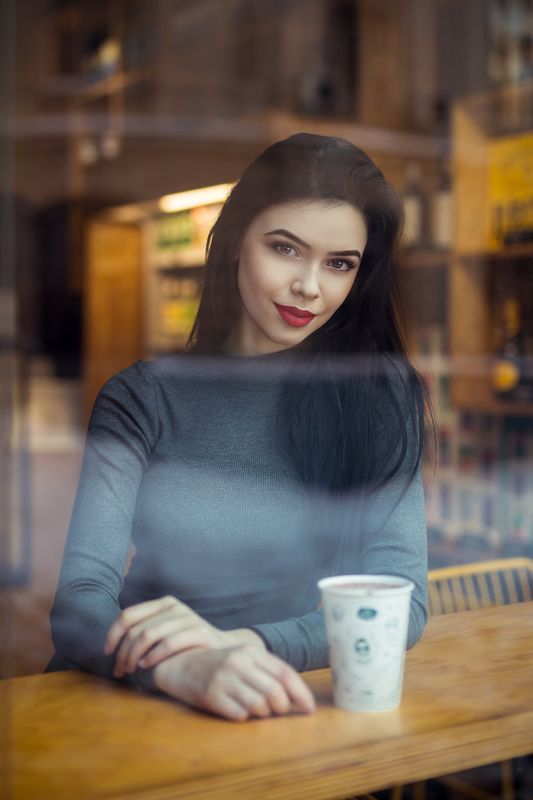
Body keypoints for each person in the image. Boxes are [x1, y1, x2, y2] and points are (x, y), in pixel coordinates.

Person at [47, 132, 432, 722]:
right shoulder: (142, 397)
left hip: (277, 697)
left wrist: (245, 647)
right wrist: (178, 667)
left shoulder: (380, 397)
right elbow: (78, 604)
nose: (309, 285)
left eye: (339, 264)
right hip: (134, 696)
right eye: (285, 249)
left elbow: (399, 602)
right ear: (233, 242)